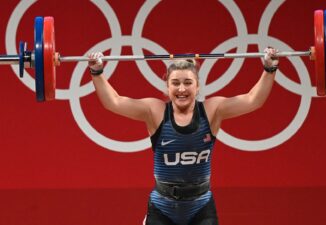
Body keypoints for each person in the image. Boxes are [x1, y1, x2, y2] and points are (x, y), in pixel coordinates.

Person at [88, 47, 279, 225]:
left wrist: (269, 68)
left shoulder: (212, 111)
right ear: (167, 87)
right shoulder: (154, 111)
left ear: (197, 87)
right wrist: (97, 72)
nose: (181, 89)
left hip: (201, 206)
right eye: (175, 83)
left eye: (188, 83)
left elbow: (254, 100)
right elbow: (113, 102)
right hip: (162, 207)